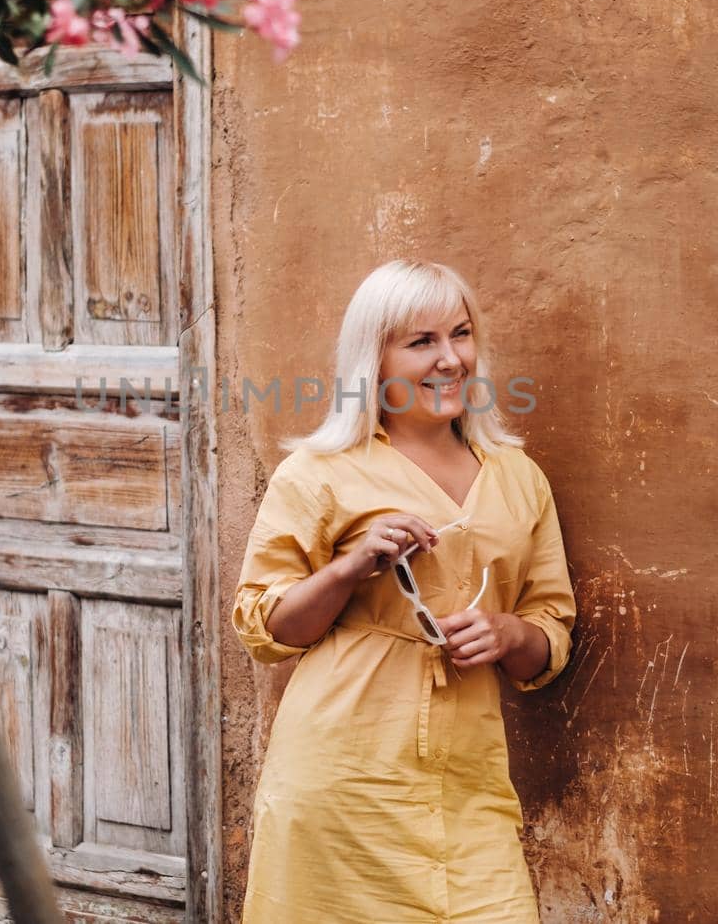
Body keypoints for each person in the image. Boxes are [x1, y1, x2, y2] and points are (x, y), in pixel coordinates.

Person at [232, 259, 578, 923]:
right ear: (376, 359)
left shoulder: (517, 476)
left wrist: (508, 633)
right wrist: (350, 565)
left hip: (468, 785)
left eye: (461, 333)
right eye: (422, 342)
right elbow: (267, 628)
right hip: (343, 781)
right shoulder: (319, 474)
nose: (450, 359)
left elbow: (550, 631)